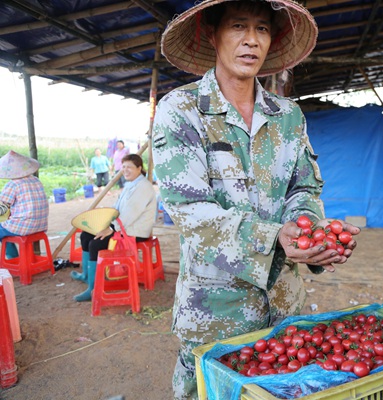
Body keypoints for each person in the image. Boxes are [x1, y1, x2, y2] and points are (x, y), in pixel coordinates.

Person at [152, 1, 360, 398]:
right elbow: (190, 210)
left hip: (285, 307)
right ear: (212, 34)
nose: (251, 40)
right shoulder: (182, 110)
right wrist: (275, 238)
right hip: (215, 313)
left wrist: (311, 234)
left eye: (262, 29)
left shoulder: (288, 116)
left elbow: (305, 189)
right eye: (238, 26)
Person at [71, 154, 156, 301]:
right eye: (123, 167)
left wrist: (112, 228)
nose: (125, 170)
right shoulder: (131, 184)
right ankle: (86, 275)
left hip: (135, 230)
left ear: (139, 168)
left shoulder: (143, 187)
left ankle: (93, 289)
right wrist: (104, 221)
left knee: (96, 243)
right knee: (87, 234)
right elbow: (116, 209)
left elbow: (131, 213)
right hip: (123, 225)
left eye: (129, 167)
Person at [0, 150, 49, 259]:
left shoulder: (13, 184)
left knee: (1, 228)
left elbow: (2, 209)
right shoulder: (36, 181)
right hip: (41, 225)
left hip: (23, 227)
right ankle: (18, 258)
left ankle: (13, 258)